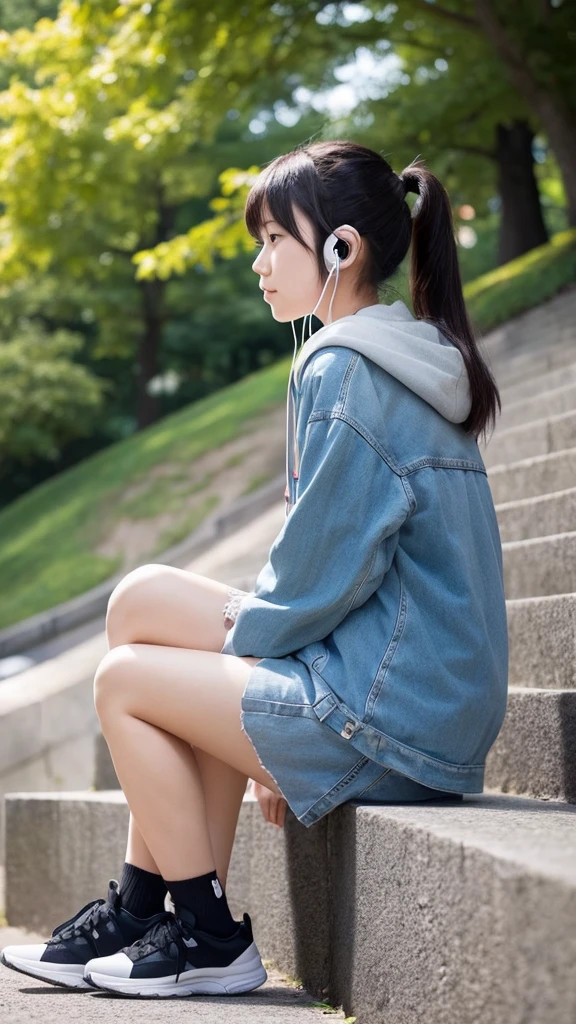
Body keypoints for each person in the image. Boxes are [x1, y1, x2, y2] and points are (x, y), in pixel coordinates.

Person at [0, 140, 508, 999]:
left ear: (341, 251)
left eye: (277, 238)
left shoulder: (348, 372)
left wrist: (275, 705)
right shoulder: (390, 354)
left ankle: (202, 930)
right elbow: (333, 571)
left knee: (127, 679)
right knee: (141, 601)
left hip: (396, 715)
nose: (259, 261)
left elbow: (317, 580)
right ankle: (138, 907)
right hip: (421, 693)